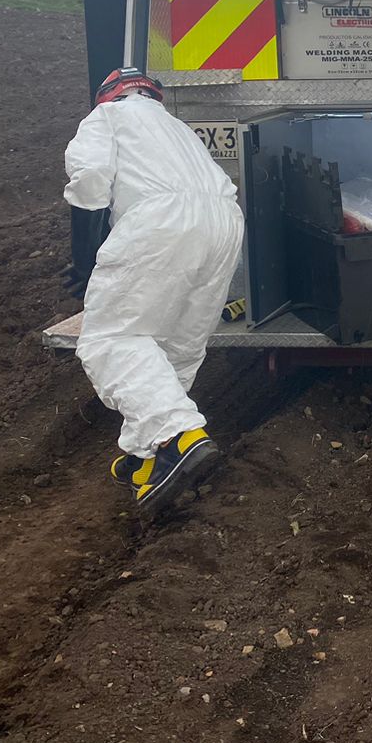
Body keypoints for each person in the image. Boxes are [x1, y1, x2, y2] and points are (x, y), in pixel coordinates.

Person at [63, 67, 245, 513]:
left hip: (159, 222)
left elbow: (89, 184)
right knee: (175, 347)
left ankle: (178, 436)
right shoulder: (177, 128)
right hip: (224, 223)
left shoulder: (107, 118)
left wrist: (86, 242)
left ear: (107, 96)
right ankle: (150, 455)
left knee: (112, 339)